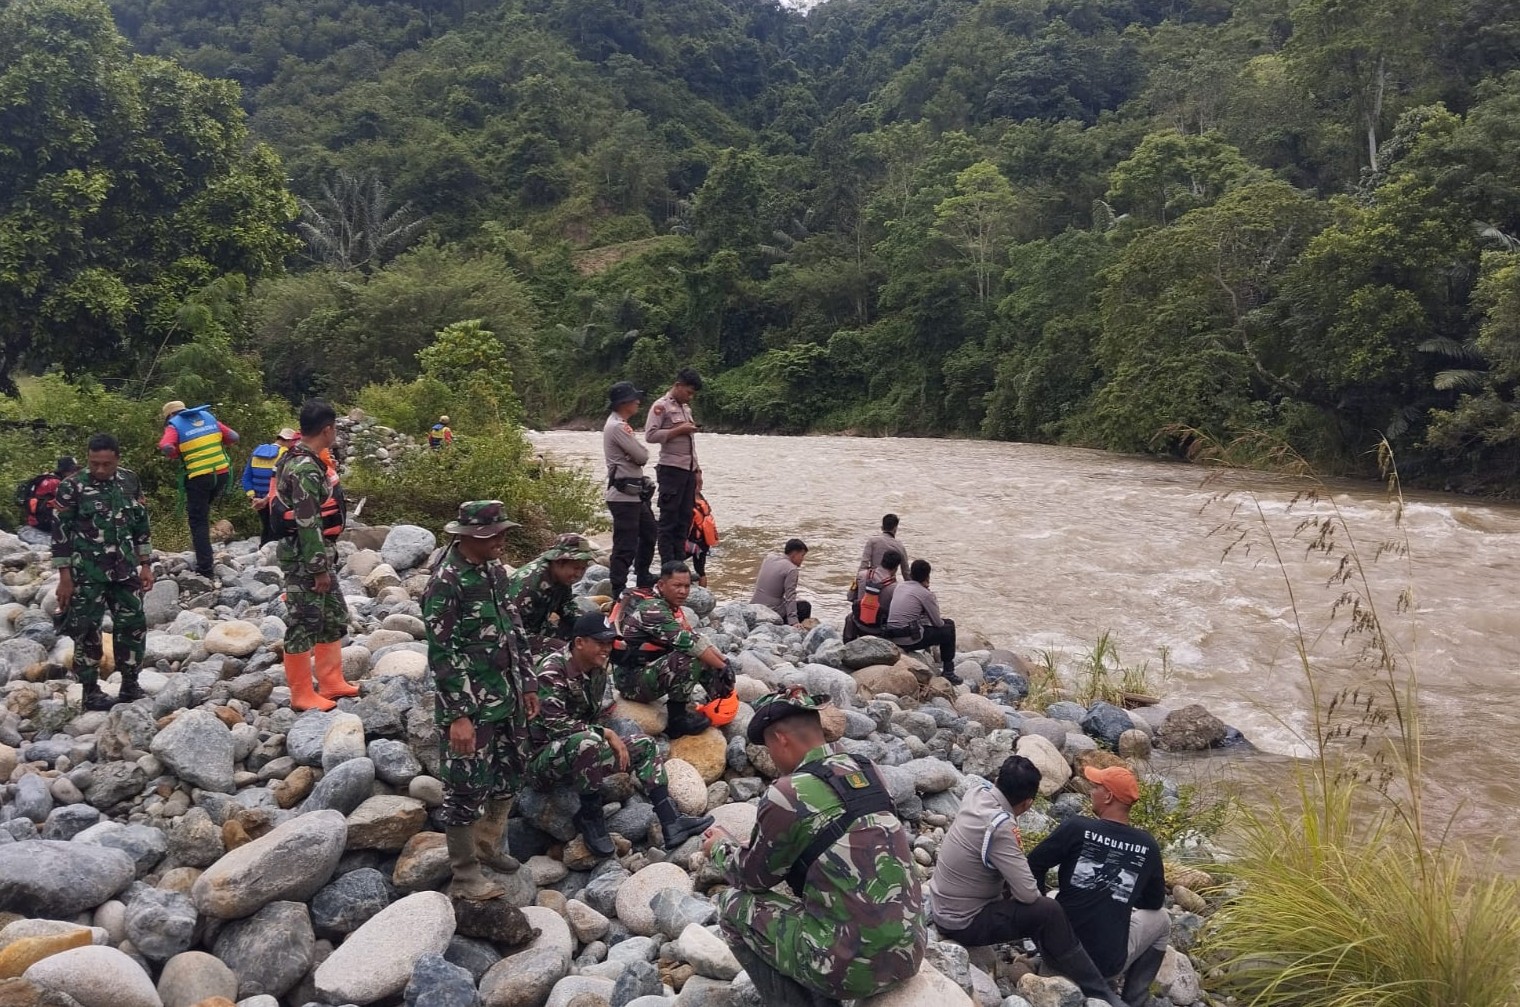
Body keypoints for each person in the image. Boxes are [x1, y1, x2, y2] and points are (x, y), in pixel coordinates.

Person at [702, 688, 925, 1005]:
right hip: (909, 952)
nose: (773, 759)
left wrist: (721, 847)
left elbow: (753, 878)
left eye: (769, 748)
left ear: (781, 740)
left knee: (731, 906)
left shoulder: (788, 792)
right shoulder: (869, 770)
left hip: (852, 969)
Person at [929, 756, 1126, 1006]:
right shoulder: (1000, 826)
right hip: (961, 922)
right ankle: (1098, 989)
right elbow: (1028, 895)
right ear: (1027, 803)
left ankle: (1053, 957)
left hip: (944, 903)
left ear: (998, 780)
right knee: (1048, 909)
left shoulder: (977, 793)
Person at [423, 500, 541, 899]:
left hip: (506, 696)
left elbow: (514, 630)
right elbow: (442, 653)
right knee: (465, 786)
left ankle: (488, 846)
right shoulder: (447, 580)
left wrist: (528, 684)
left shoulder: (493, 571)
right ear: (476, 536)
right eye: (499, 534)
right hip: (471, 705)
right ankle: (464, 873)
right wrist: (459, 715)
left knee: (509, 771)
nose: (504, 541)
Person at [527, 611, 713, 857]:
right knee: (589, 741)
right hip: (541, 761)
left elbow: (591, 716)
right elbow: (554, 724)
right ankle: (591, 818)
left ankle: (671, 821)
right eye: (600, 643)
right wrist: (605, 734)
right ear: (579, 642)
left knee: (644, 745)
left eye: (608, 643)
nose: (606, 649)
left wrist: (604, 737)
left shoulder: (597, 671)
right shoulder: (551, 671)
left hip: (580, 753)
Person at [1028, 765, 1170, 1006]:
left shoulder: (1077, 828)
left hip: (1057, 954)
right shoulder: (1148, 845)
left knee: (1053, 895)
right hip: (1107, 965)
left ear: (1108, 797)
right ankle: (1136, 998)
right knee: (1163, 920)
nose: (1091, 791)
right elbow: (1154, 902)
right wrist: (1118, 894)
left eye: (1096, 787)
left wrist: (1039, 908)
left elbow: (1033, 865)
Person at [52, 434, 152, 712]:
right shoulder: (71, 487)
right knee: (86, 632)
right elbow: (60, 534)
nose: (99, 469)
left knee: (132, 627)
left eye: (106, 464)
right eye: (94, 463)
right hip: (87, 574)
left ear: (117, 460)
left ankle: (130, 684)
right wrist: (64, 578)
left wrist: (146, 564)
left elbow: (141, 525)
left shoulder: (130, 481)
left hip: (125, 571)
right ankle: (90, 690)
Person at [272, 401, 358, 713]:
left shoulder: (303, 458)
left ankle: (331, 680)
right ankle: (301, 693)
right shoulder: (304, 467)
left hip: (320, 553)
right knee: (303, 621)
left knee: (333, 616)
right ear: (327, 429)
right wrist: (318, 569)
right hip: (305, 557)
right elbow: (307, 523)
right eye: (334, 428)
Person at [612, 560, 737, 738]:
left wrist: (724, 662)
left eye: (687, 586)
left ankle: (718, 700)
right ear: (661, 585)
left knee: (709, 656)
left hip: (650, 669)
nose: (683, 591)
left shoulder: (670, 607)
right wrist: (722, 666)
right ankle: (677, 721)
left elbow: (697, 639)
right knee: (689, 658)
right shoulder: (652, 608)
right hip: (631, 681)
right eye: (677, 585)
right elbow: (688, 643)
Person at [158, 401, 239, 578]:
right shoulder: (208, 418)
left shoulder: (175, 425)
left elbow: (166, 446)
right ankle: (205, 555)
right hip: (222, 474)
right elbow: (233, 436)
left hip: (200, 477)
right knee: (202, 512)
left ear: (169, 416)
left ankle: (205, 568)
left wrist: (174, 451)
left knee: (198, 520)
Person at [603, 381, 657, 592]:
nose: (638, 401)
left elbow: (638, 455)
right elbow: (642, 456)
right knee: (625, 545)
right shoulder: (618, 426)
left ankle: (643, 576)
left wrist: (633, 454)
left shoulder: (618, 424)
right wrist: (634, 454)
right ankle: (618, 588)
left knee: (650, 532)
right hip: (623, 496)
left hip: (633, 495)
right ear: (624, 403)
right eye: (634, 398)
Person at [645, 368, 702, 565]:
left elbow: (691, 445)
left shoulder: (686, 409)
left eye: (693, 393)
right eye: (688, 392)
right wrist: (678, 430)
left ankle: (679, 564)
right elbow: (650, 436)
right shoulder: (660, 407)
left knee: (684, 518)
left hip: (688, 471)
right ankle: (667, 566)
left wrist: (697, 471)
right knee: (668, 519)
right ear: (678, 386)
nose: (690, 397)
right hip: (670, 470)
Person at [505, 533, 597, 655]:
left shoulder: (561, 578)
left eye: (583, 569)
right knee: (567, 652)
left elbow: (566, 606)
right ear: (559, 562)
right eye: (575, 568)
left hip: (538, 629)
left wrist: (590, 625)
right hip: (512, 638)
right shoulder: (530, 585)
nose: (579, 574)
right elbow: (514, 632)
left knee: (586, 636)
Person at [886, 559, 961, 684]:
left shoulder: (900, 586)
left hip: (892, 636)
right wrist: (931, 596)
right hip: (909, 640)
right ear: (927, 576)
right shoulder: (925, 593)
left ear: (911, 573)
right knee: (949, 627)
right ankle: (949, 671)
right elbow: (938, 623)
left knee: (928, 624)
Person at [241, 427, 294, 545]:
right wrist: (267, 499)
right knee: (276, 529)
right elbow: (283, 482)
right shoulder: (285, 454)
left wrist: (253, 498)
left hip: (258, 499)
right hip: (275, 500)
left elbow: (246, 477)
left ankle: (262, 552)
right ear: (288, 440)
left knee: (266, 526)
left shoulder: (256, 452)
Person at [843, 549, 902, 642]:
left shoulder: (861, 575)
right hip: (878, 631)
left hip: (858, 624)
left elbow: (849, 597)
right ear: (896, 568)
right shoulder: (895, 588)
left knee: (849, 617)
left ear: (881, 561)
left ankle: (847, 647)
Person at [15, 456, 78, 541]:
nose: (74, 473)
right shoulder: (55, 483)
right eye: (72, 470)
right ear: (66, 470)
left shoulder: (48, 478)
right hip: (43, 522)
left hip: (35, 520)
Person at [751, 539, 808, 626]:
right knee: (805, 607)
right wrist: (794, 621)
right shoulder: (792, 569)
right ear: (794, 554)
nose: (803, 559)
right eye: (802, 555)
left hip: (753, 607)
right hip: (770, 612)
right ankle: (793, 629)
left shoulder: (769, 558)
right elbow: (790, 596)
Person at [685, 470, 717, 587]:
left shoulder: (690, 503)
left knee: (675, 562)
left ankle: (682, 582)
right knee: (700, 570)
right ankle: (703, 592)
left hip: (693, 543)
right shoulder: (702, 500)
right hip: (704, 542)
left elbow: (688, 527)